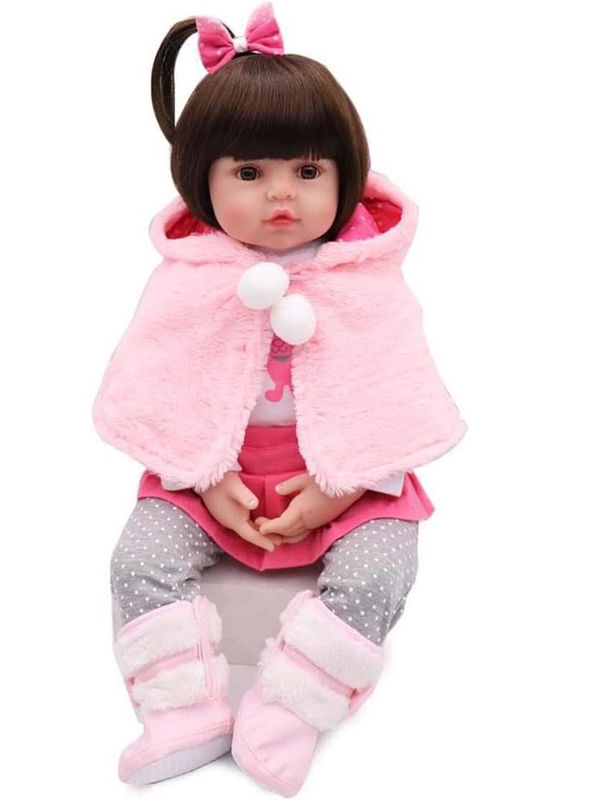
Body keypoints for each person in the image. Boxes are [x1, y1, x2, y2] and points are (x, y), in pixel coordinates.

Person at [93, 3, 467, 795]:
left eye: (307, 171)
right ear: (202, 179)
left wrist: (347, 487)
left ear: (344, 174)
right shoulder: (189, 277)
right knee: (138, 560)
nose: (280, 196)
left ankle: (292, 710)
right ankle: (182, 712)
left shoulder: (366, 278)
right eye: (249, 173)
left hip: (350, 478)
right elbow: (160, 388)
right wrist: (201, 476)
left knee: (378, 572)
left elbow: (392, 393)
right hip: (210, 472)